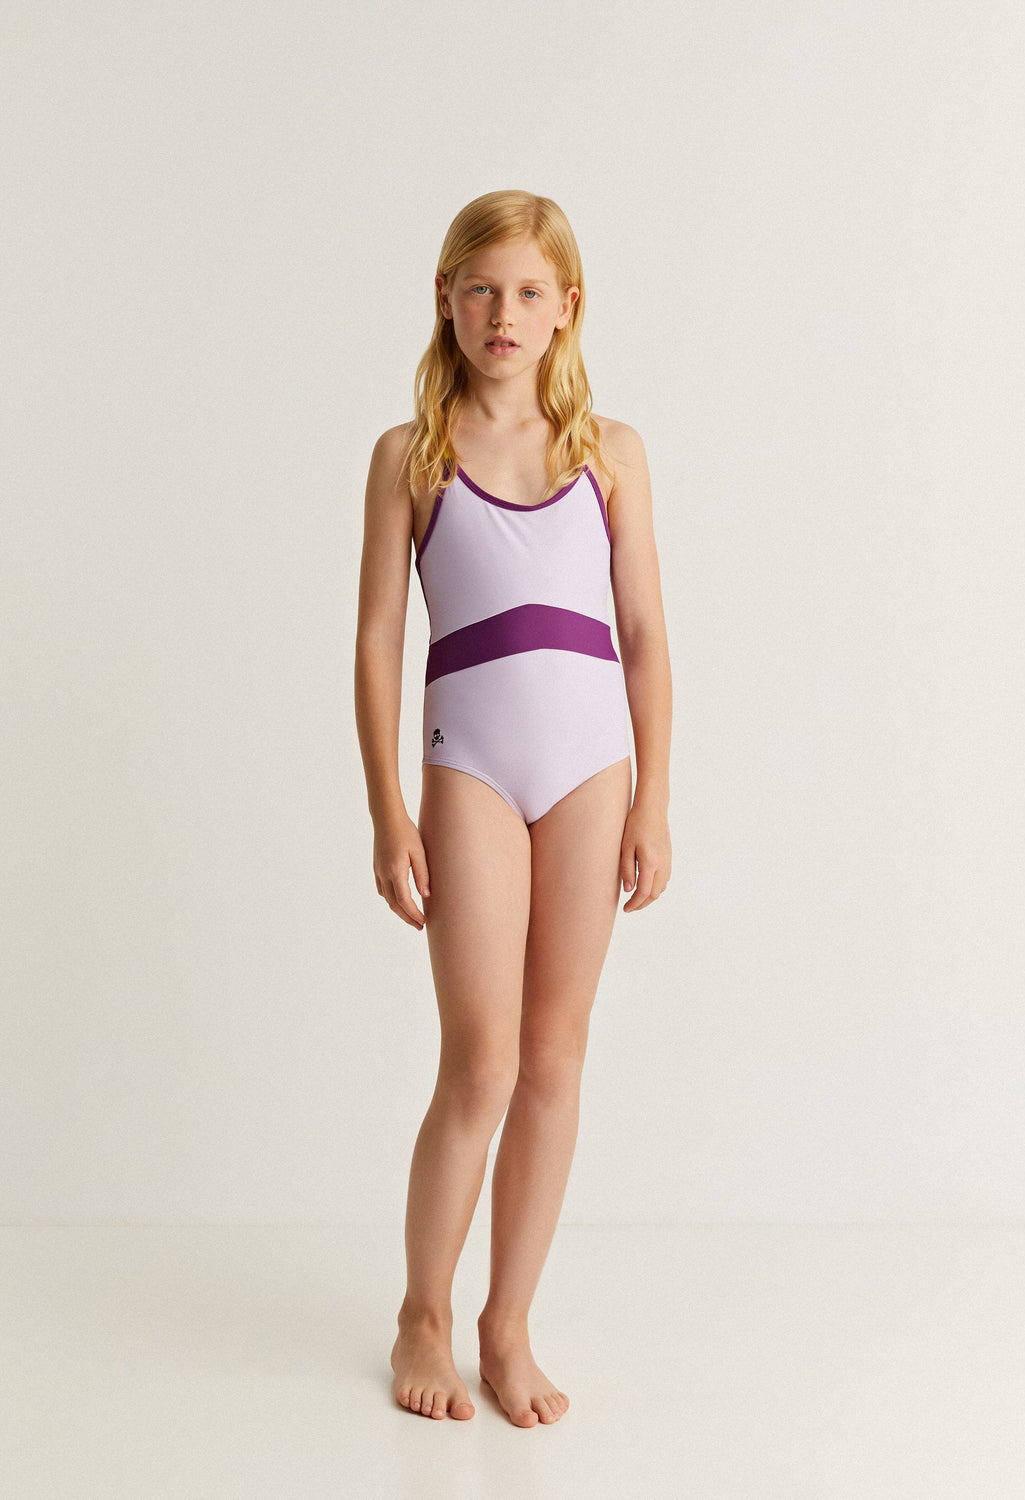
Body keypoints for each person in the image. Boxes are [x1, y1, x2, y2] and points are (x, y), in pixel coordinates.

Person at [354, 189, 672, 1428]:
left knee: (553, 1058)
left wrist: (654, 796)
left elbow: (642, 632)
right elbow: (379, 640)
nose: (504, 312)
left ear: (566, 308)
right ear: (445, 299)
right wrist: (388, 810)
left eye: (529, 291)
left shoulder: (610, 452)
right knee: (481, 1060)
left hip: (592, 772)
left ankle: (507, 1321)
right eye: (481, 288)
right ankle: (423, 1313)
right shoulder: (412, 454)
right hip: (471, 769)